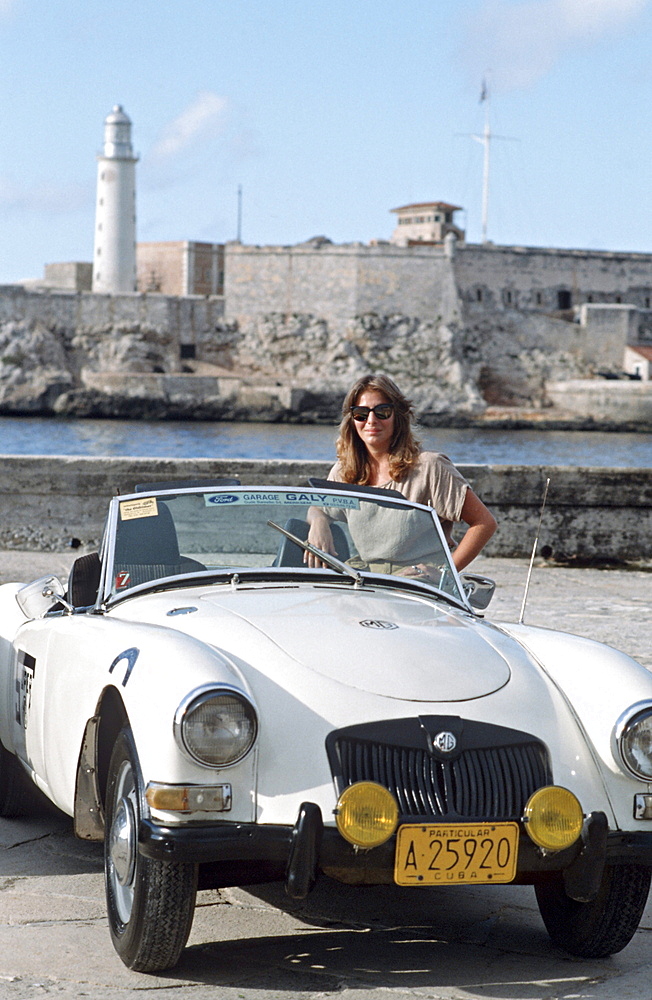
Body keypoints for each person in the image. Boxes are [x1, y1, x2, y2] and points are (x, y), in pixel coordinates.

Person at [306, 373, 497, 573]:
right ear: (352, 420)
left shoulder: (430, 467)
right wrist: (319, 521)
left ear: (398, 416)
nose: (371, 420)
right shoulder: (345, 471)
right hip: (366, 576)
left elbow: (484, 522)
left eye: (382, 411)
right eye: (361, 413)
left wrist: (445, 575)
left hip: (418, 582)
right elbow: (319, 508)